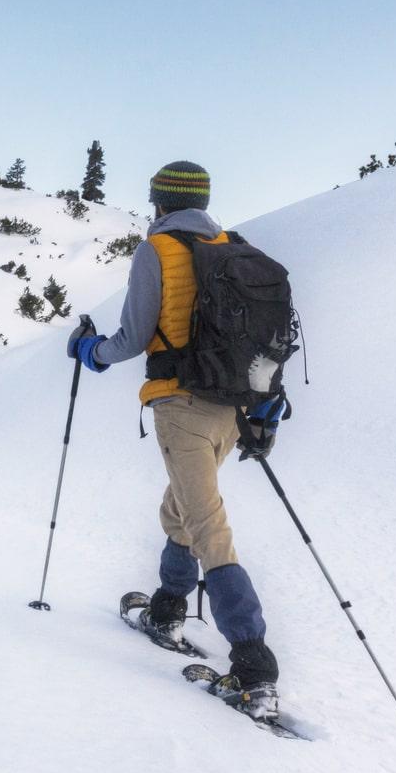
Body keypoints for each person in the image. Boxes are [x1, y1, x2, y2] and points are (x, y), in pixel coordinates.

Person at [67, 160, 286, 719]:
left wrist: (90, 352)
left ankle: (254, 668)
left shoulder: (157, 250)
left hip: (180, 405)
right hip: (232, 410)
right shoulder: (232, 248)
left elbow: (134, 338)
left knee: (208, 526)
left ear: (159, 201)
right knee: (182, 510)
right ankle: (167, 608)